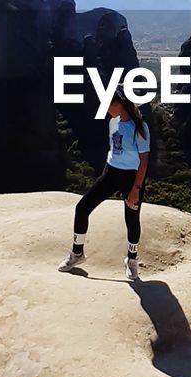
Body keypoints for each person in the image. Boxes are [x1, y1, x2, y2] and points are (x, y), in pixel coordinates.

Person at [58, 88, 151, 281]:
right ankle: (77, 253)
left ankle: (131, 261)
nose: (105, 108)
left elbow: (144, 161)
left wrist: (136, 188)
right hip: (110, 173)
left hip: (131, 178)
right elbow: (114, 151)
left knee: (132, 220)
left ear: (118, 104)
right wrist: (105, 176)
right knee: (82, 208)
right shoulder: (113, 122)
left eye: (107, 104)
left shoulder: (139, 127)